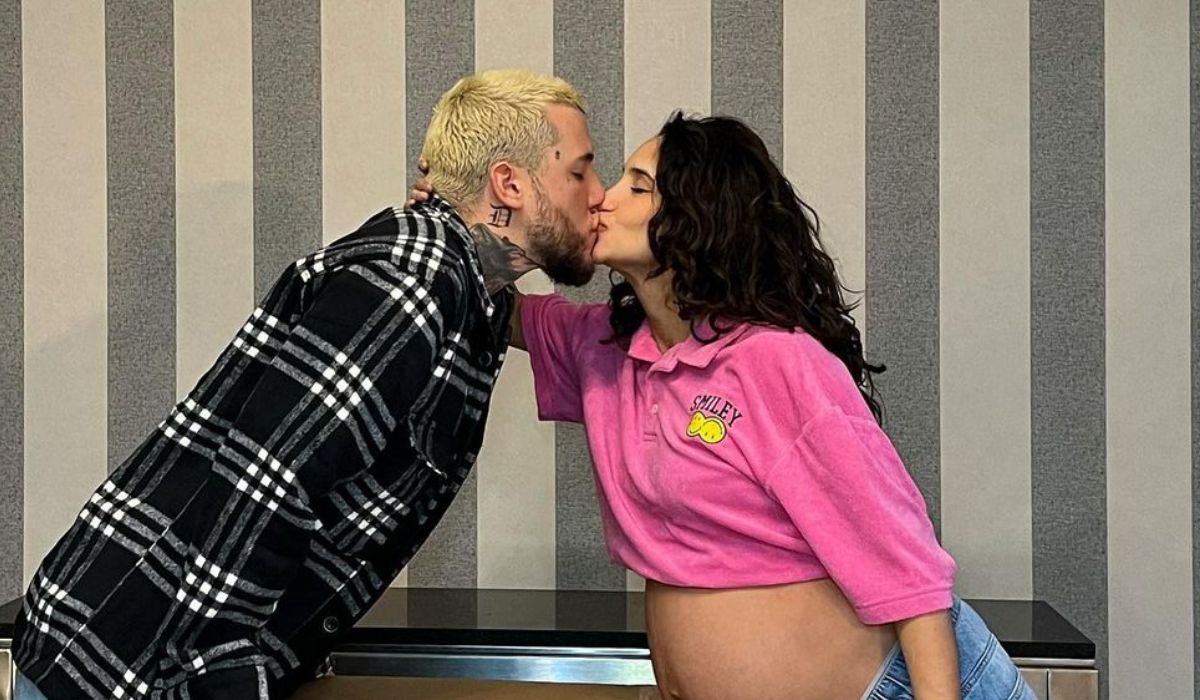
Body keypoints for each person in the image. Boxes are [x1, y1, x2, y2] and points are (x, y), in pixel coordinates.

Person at [12, 69, 604, 700]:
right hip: (119, 664)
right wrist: (224, 680)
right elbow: (263, 485)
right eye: (580, 172)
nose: (599, 194)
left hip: (140, 647)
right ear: (509, 183)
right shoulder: (412, 284)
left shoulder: (465, 290)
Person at [510, 113, 1035, 699]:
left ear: (699, 216)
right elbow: (484, 299)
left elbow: (908, 568)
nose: (604, 198)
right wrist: (462, 213)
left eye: (638, 186)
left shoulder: (776, 360)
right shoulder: (607, 350)